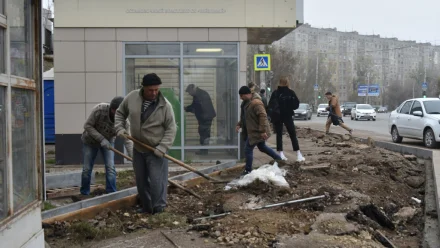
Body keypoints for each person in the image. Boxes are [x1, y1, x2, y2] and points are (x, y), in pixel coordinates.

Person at [115, 73, 177, 214]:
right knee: (141, 182)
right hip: (138, 148)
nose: (154, 93)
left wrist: (162, 147)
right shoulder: (132, 98)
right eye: (150, 90)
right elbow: (120, 113)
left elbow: (171, 129)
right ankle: (147, 207)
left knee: (157, 182)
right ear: (143, 88)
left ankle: (159, 209)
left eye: (156, 89)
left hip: (156, 150)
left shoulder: (165, 106)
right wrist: (119, 127)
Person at [80, 96, 133, 197]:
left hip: (108, 143)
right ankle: (84, 193)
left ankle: (111, 193)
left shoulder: (125, 122)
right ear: (112, 109)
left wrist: (133, 156)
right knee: (87, 169)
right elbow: (87, 125)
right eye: (115, 111)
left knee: (110, 167)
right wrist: (101, 139)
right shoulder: (99, 110)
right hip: (90, 141)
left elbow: (128, 140)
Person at [236, 86, 282, 175]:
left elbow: (263, 116)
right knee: (262, 147)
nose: (240, 98)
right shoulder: (245, 103)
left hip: (257, 131)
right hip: (254, 130)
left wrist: (262, 131)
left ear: (247, 94)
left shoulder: (256, 103)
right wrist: (239, 124)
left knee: (248, 149)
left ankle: (248, 170)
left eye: (242, 96)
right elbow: (245, 117)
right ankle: (279, 159)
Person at [267, 76, 305, 162]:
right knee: (292, 134)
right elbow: (296, 105)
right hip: (288, 116)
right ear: (287, 83)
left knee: (279, 135)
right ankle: (298, 154)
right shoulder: (291, 92)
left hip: (277, 116)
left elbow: (270, 105)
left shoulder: (275, 93)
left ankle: (281, 154)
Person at [184, 84, 216, 155]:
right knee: (204, 133)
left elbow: (195, 106)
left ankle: (204, 151)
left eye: (189, 92)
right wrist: (187, 108)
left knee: (204, 134)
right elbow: (195, 106)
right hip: (206, 117)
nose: (189, 94)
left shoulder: (198, 95)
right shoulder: (199, 93)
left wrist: (186, 108)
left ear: (192, 89)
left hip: (205, 118)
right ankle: (204, 150)